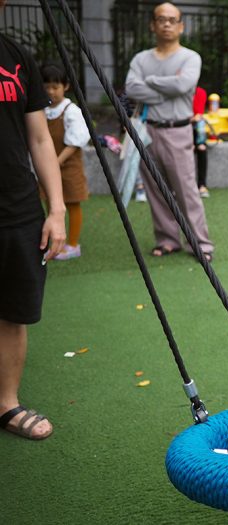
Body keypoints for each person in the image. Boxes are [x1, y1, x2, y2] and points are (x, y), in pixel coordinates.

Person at [0, 5, 66, 440]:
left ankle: (6, 403)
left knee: (13, 312)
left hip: (17, 210)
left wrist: (57, 208)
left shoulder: (15, 54)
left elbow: (40, 137)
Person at [125, 2, 214, 261]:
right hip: (147, 131)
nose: (166, 24)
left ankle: (201, 245)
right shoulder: (141, 58)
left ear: (181, 26)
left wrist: (150, 82)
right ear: (153, 24)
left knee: (187, 190)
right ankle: (167, 239)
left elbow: (184, 85)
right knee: (155, 188)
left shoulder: (190, 57)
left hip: (178, 131)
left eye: (172, 20)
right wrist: (168, 87)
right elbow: (131, 88)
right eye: (161, 19)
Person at [40, 61, 90, 260]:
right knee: (50, 202)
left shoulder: (71, 111)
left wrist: (56, 161)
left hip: (68, 165)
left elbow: (77, 141)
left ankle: (72, 244)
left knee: (72, 203)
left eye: (55, 87)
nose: (51, 92)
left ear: (66, 87)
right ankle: (54, 242)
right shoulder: (41, 110)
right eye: (46, 88)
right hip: (48, 165)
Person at [192, 85, 209, 198]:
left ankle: (201, 185)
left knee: (202, 149)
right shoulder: (177, 92)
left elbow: (199, 115)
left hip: (195, 129)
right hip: (178, 129)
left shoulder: (201, 92)